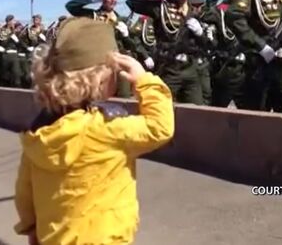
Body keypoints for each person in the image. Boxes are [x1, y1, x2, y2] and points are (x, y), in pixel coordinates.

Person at [13, 17, 174, 245]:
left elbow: (24, 193)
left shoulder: (38, 135)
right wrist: (144, 80)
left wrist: (32, 228)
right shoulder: (106, 130)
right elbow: (160, 127)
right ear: (98, 80)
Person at [126, 0, 210, 105]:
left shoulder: (193, 11)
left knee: (196, 110)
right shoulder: (162, 6)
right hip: (169, 67)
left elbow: (206, 44)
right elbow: (132, 2)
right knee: (163, 108)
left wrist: (201, 34)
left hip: (190, 68)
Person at [65, 0, 140, 98]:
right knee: (97, 96)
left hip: (118, 63)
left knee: (124, 96)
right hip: (98, 63)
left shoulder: (122, 20)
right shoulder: (93, 15)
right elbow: (71, 6)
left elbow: (132, 45)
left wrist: (126, 36)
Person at [203, 0, 251, 108]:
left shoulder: (254, 8)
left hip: (249, 68)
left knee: (251, 112)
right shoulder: (220, 9)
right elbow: (203, 14)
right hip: (226, 66)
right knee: (216, 110)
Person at [0, 15, 23, 87]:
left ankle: (16, 91)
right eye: (13, 21)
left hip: (14, 54)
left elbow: (20, 44)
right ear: (9, 21)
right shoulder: (2, 31)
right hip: (5, 54)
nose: (14, 22)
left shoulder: (16, 31)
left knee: (16, 74)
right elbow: (2, 41)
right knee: (5, 75)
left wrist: (17, 40)